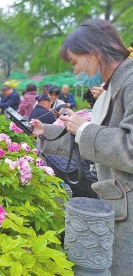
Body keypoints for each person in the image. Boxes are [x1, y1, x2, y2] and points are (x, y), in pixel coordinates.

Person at [30, 19, 133, 275]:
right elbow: (90, 139)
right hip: (116, 201)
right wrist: (47, 132)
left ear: (94, 54)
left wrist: (85, 129)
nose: (76, 71)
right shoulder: (112, 87)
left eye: (76, 62)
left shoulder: (130, 83)